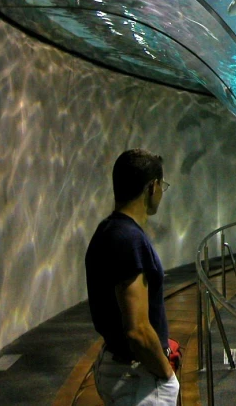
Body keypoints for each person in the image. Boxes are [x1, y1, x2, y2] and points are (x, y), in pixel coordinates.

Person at [85, 149, 179, 405]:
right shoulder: (130, 240)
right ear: (153, 187)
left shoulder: (107, 230)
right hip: (138, 377)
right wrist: (167, 373)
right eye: (163, 186)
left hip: (116, 364)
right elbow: (137, 330)